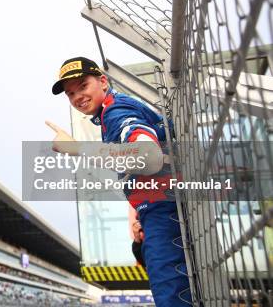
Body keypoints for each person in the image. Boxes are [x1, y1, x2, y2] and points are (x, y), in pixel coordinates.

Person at [46, 56, 191, 306]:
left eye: (82, 86)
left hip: (164, 211)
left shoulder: (116, 111)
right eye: (70, 93)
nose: (77, 97)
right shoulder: (112, 112)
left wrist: (76, 148)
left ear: (103, 81)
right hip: (165, 208)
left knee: (173, 299)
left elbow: (149, 157)